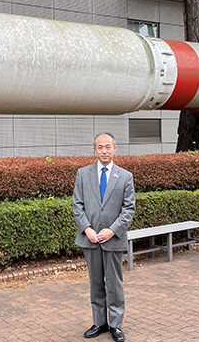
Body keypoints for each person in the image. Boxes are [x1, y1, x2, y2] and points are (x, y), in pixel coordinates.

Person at [72, 132, 136, 342]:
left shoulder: (125, 176)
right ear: (94, 150)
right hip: (90, 239)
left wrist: (113, 230)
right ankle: (99, 322)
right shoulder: (83, 174)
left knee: (114, 284)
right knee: (96, 282)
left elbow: (128, 209)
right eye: (100, 147)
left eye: (108, 146)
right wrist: (87, 229)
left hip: (113, 239)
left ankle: (116, 325)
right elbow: (77, 205)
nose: (104, 151)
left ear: (115, 149)